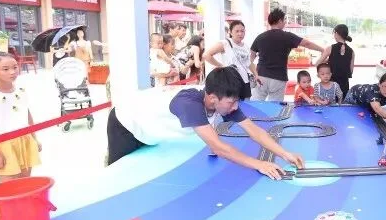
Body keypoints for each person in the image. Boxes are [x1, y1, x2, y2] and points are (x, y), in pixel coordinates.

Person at [106, 66, 305, 180]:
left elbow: (254, 130)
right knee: (119, 178)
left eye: (237, 101)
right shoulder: (189, 104)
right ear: (212, 98)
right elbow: (218, 147)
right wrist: (259, 164)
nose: (236, 107)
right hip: (126, 124)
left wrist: (285, 154)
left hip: (151, 130)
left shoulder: (222, 101)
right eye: (231, 102)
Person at [0, 52, 42, 182]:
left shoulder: (21, 90)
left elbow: (27, 116)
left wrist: (34, 139)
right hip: (3, 146)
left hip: (25, 141)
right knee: (9, 186)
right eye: (5, 69)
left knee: (25, 184)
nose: (12, 72)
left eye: (15, 67)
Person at [250, 9, 324, 101]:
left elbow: (250, 58)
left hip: (261, 76)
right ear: (280, 21)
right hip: (278, 78)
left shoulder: (260, 37)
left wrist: (254, 73)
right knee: (275, 106)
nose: (285, 22)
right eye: (284, 20)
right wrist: (322, 50)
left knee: (256, 104)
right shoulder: (287, 36)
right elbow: (307, 44)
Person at [202, 20, 255, 100]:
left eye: (242, 31)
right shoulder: (225, 43)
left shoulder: (245, 46)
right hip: (231, 81)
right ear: (230, 32)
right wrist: (221, 66)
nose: (240, 34)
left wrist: (256, 74)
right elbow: (206, 55)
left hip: (245, 81)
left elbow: (249, 62)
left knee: (246, 103)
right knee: (231, 102)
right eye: (237, 31)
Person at [316, 24, 354, 94]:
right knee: (342, 100)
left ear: (336, 33)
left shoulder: (330, 48)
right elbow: (351, 71)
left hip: (330, 85)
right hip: (344, 86)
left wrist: (327, 64)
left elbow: (317, 64)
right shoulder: (351, 51)